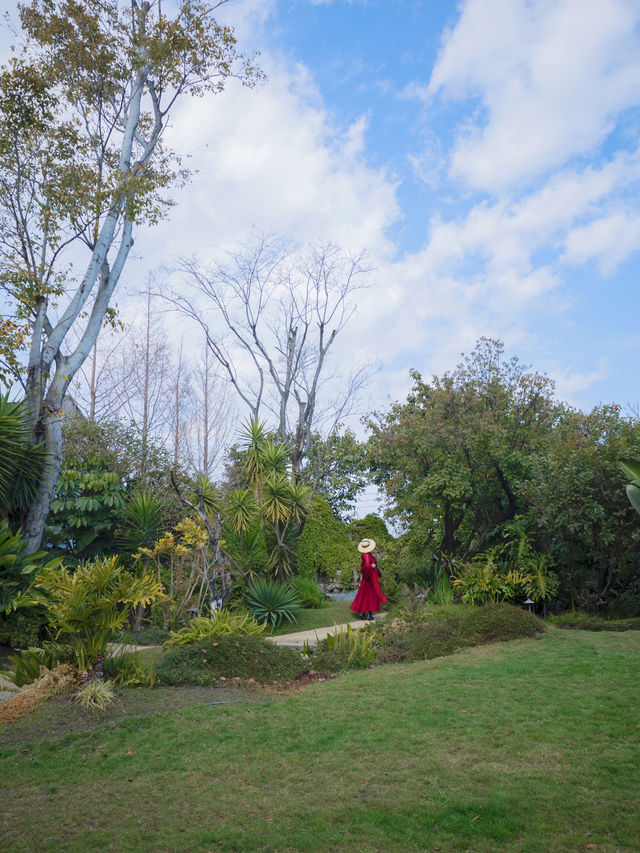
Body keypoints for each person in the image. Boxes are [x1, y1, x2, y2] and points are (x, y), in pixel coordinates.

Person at [350, 538, 387, 621]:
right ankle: (366, 614)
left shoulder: (367, 554)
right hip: (369, 579)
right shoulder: (366, 555)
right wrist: (372, 566)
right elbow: (366, 566)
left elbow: (367, 565)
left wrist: (374, 568)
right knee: (370, 595)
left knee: (367, 595)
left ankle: (364, 613)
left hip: (369, 578)